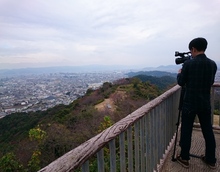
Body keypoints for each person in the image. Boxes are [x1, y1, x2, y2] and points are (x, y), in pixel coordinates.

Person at [176, 37, 217, 169]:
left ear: (193, 49)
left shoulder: (188, 64)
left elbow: (181, 82)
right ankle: (211, 159)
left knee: (186, 130)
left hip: (190, 103)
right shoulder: (213, 64)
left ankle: (184, 158)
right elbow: (210, 83)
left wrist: (179, 73)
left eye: (191, 51)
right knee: (208, 131)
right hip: (205, 103)